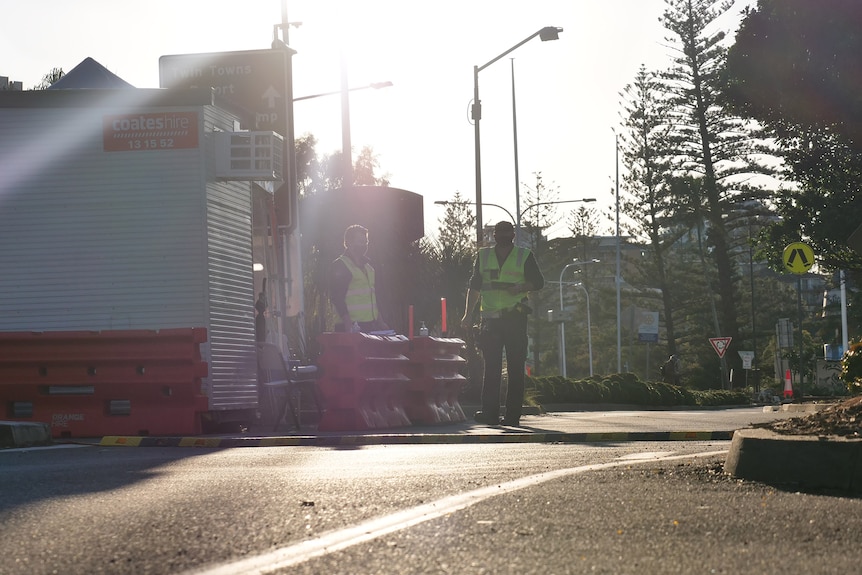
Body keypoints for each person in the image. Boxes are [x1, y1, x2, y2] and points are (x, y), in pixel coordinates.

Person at [460, 220, 545, 426]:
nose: (503, 236)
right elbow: (475, 286)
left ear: (512, 235)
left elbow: (539, 282)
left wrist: (520, 287)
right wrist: (468, 315)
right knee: (492, 368)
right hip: (491, 321)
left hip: (515, 318)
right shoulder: (483, 256)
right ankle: (490, 413)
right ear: (495, 235)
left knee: (516, 368)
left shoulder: (524, 256)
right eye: (500, 233)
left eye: (506, 233)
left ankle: (512, 416)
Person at [329, 224, 389, 333]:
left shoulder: (369, 268)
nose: (364, 245)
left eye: (366, 242)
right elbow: (337, 298)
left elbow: (372, 298)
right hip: (350, 327)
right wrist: (348, 324)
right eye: (360, 241)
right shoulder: (341, 265)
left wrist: (381, 322)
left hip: (371, 326)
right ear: (348, 243)